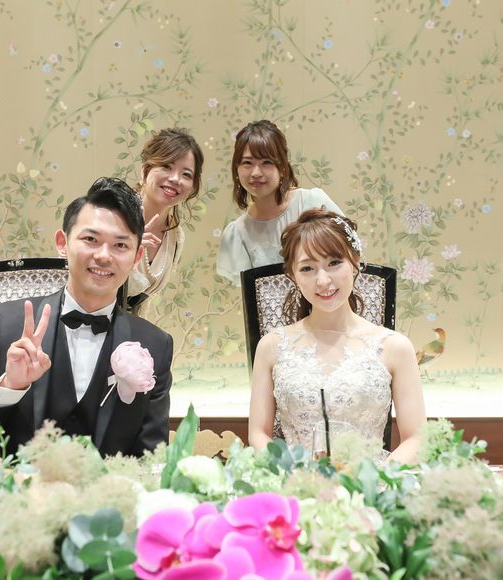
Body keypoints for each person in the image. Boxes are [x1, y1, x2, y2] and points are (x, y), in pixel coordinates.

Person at [0, 178, 173, 457]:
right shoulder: (7, 323)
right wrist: (8, 386)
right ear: (62, 243)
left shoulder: (155, 345)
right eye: (91, 239)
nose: (103, 256)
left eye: (120, 245)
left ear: (137, 256)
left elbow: (152, 458)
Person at [248, 209, 426, 464]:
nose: (323, 280)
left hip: (372, 482)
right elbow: (258, 434)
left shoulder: (395, 347)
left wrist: (375, 479)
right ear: (293, 276)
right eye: (307, 268)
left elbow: (416, 439)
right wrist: (292, 472)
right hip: (297, 481)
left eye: (334, 263)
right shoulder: (272, 346)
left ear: (355, 262)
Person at [216, 120, 343, 287]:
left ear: (282, 167)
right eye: (247, 163)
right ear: (236, 169)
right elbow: (251, 294)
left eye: (266, 162)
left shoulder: (313, 203)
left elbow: (348, 258)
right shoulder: (238, 233)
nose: (256, 173)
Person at [127, 127, 205, 314]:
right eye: (166, 166)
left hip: (130, 327)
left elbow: (141, 304)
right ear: (145, 170)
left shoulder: (176, 235)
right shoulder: (117, 215)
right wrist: (123, 248)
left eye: (186, 174)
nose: (176, 179)